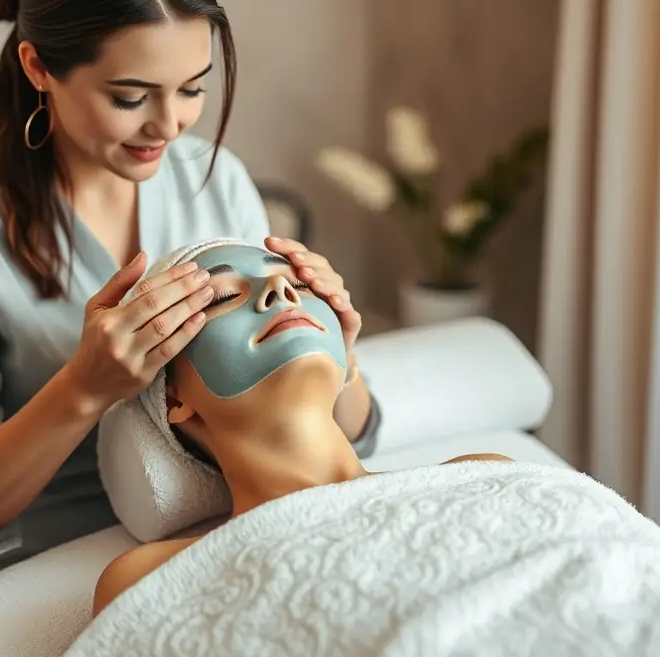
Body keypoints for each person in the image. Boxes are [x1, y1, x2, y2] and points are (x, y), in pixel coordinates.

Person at [0, 0, 379, 610]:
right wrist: (84, 387)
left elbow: (345, 426)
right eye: (130, 97)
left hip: (207, 533)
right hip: (31, 571)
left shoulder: (214, 179)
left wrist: (336, 343)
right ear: (38, 67)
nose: (171, 125)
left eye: (192, 88)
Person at [91, 240, 509, 616]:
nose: (283, 292)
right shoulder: (152, 581)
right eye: (223, 297)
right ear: (175, 398)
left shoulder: (484, 478)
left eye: (302, 286)